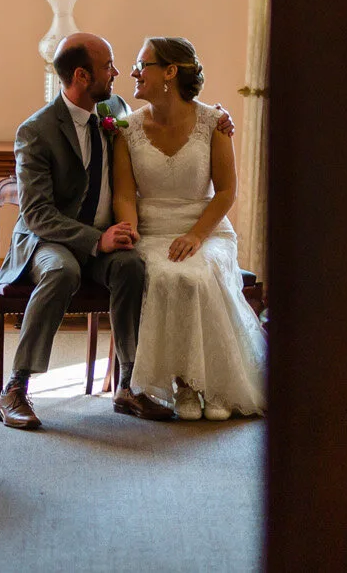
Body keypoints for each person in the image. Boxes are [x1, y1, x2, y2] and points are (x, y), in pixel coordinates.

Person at [0, 32, 175, 429]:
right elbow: (38, 214)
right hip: (50, 240)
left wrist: (215, 117)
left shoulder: (114, 108)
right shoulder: (36, 131)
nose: (117, 72)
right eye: (107, 66)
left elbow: (163, 119)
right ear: (81, 75)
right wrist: (96, 239)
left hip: (103, 238)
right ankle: (15, 387)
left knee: (131, 266)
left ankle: (128, 384)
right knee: (62, 271)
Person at [113, 36, 267, 420]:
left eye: (141, 65)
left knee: (197, 274)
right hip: (153, 232)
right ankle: (183, 383)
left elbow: (227, 191)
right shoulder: (126, 128)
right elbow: (125, 194)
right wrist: (130, 230)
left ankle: (214, 384)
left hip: (206, 228)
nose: (133, 72)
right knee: (169, 275)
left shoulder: (214, 122)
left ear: (169, 72)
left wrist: (197, 235)